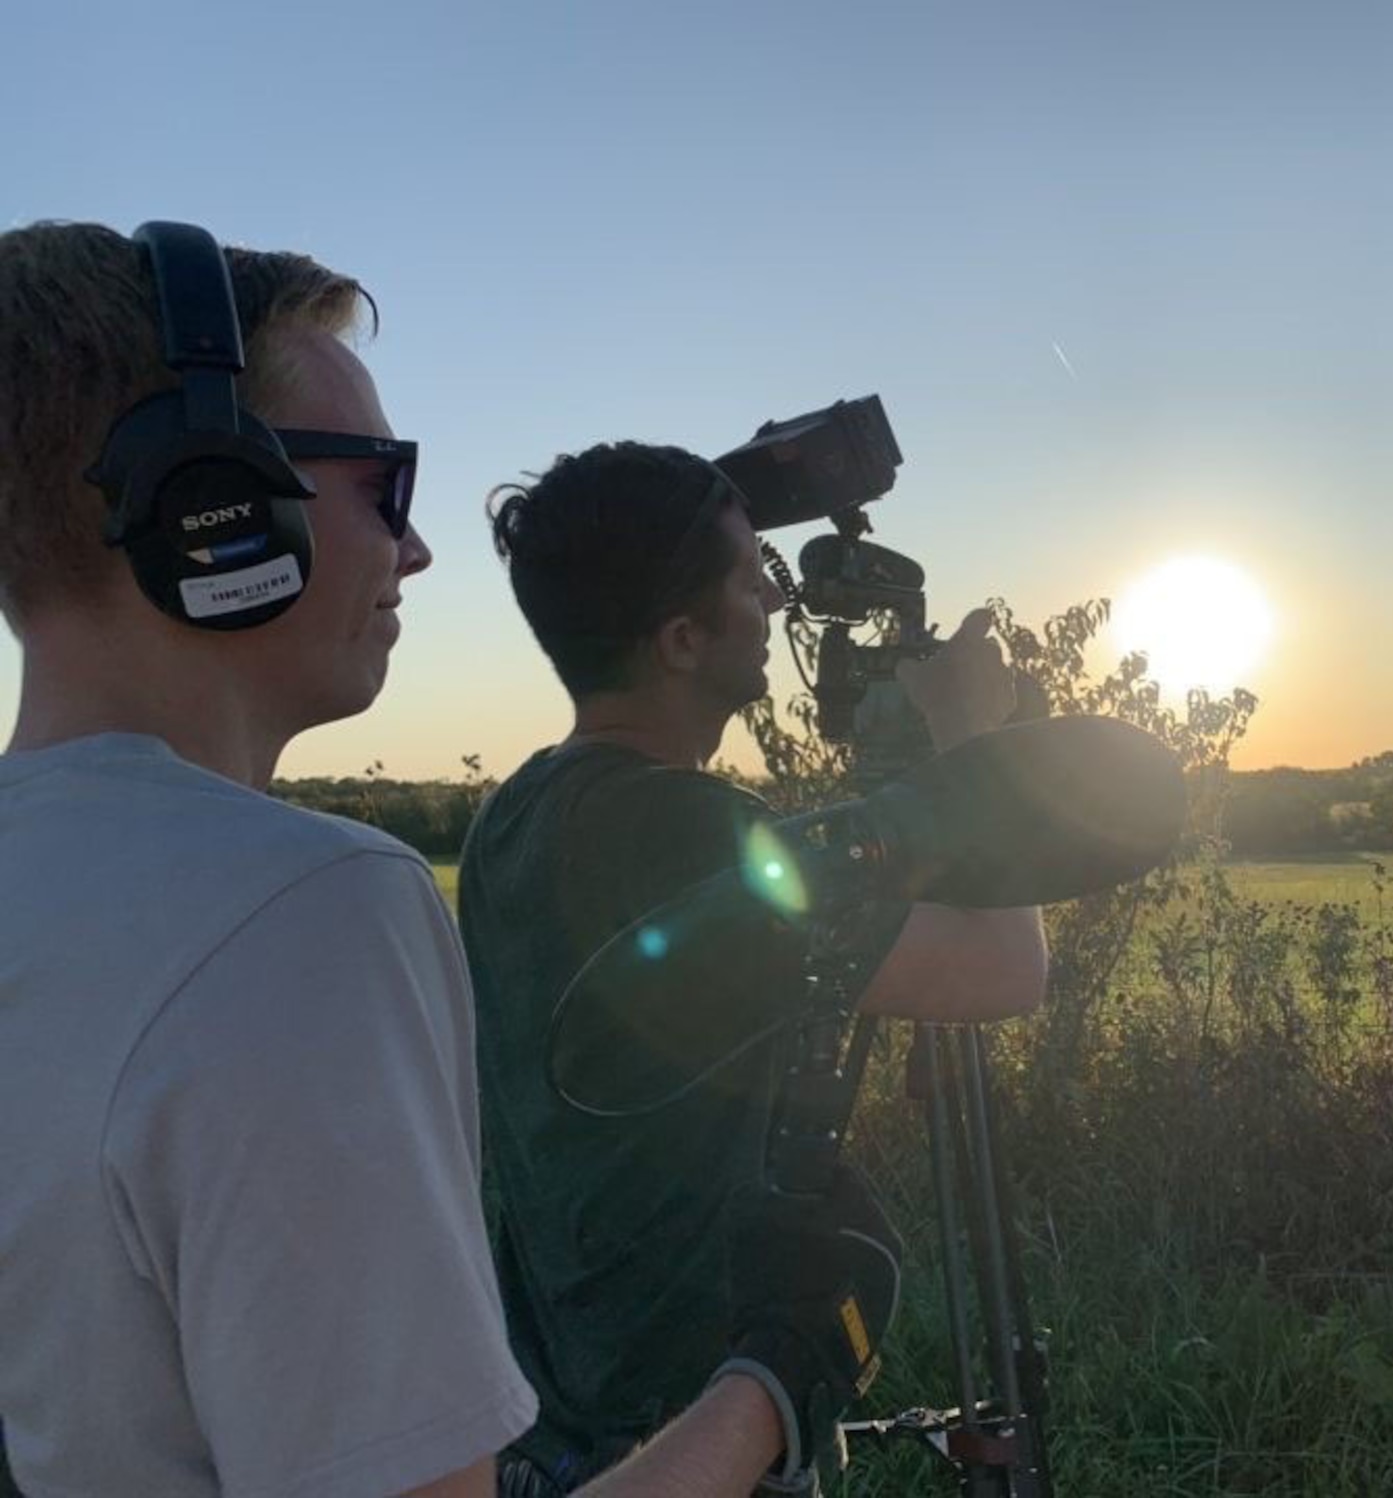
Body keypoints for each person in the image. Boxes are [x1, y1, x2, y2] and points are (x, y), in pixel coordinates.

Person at [0, 220, 891, 1498]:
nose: (412, 548)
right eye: (382, 484)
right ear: (211, 502)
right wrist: (774, 1383)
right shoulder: (296, 912)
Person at [459, 441, 1049, 1490]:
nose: (774, 607)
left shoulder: (520, 809)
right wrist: (972, 736)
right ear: (681, 639)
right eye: (749, 581)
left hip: (555, 1419)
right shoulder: (677, 832)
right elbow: (1003, 969)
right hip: (691, 1432)